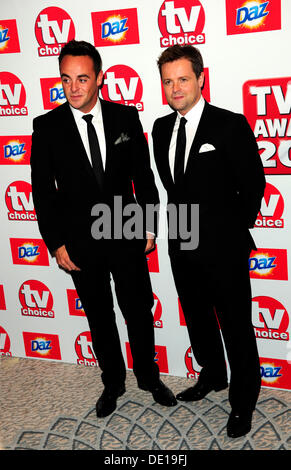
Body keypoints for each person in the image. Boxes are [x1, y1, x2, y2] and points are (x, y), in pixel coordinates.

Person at [30, 39, 177, 419]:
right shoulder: (46, 127)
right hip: (79, 241)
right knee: (99, 314)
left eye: (82, 78)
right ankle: (112, 382)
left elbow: (143, 179)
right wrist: (56, 243)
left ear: (99, 78)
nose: (74, 88)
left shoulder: (125, 117)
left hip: (126, 230)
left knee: (140, 310)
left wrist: (147, 226)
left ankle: (148, 376)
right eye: (66, 80)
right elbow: (42, 193)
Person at [152, 45, 266, 438]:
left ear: (201, 78)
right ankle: (213, 375)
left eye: (183, 78)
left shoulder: (230, 125)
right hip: (181, 243)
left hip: (224, 248)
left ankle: (243, 400)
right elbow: (173, 187)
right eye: (168, 80)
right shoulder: (161, 128)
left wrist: (230, 234)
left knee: (236, 326)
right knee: (198, 319)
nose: (175, 87)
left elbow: (254, 186)